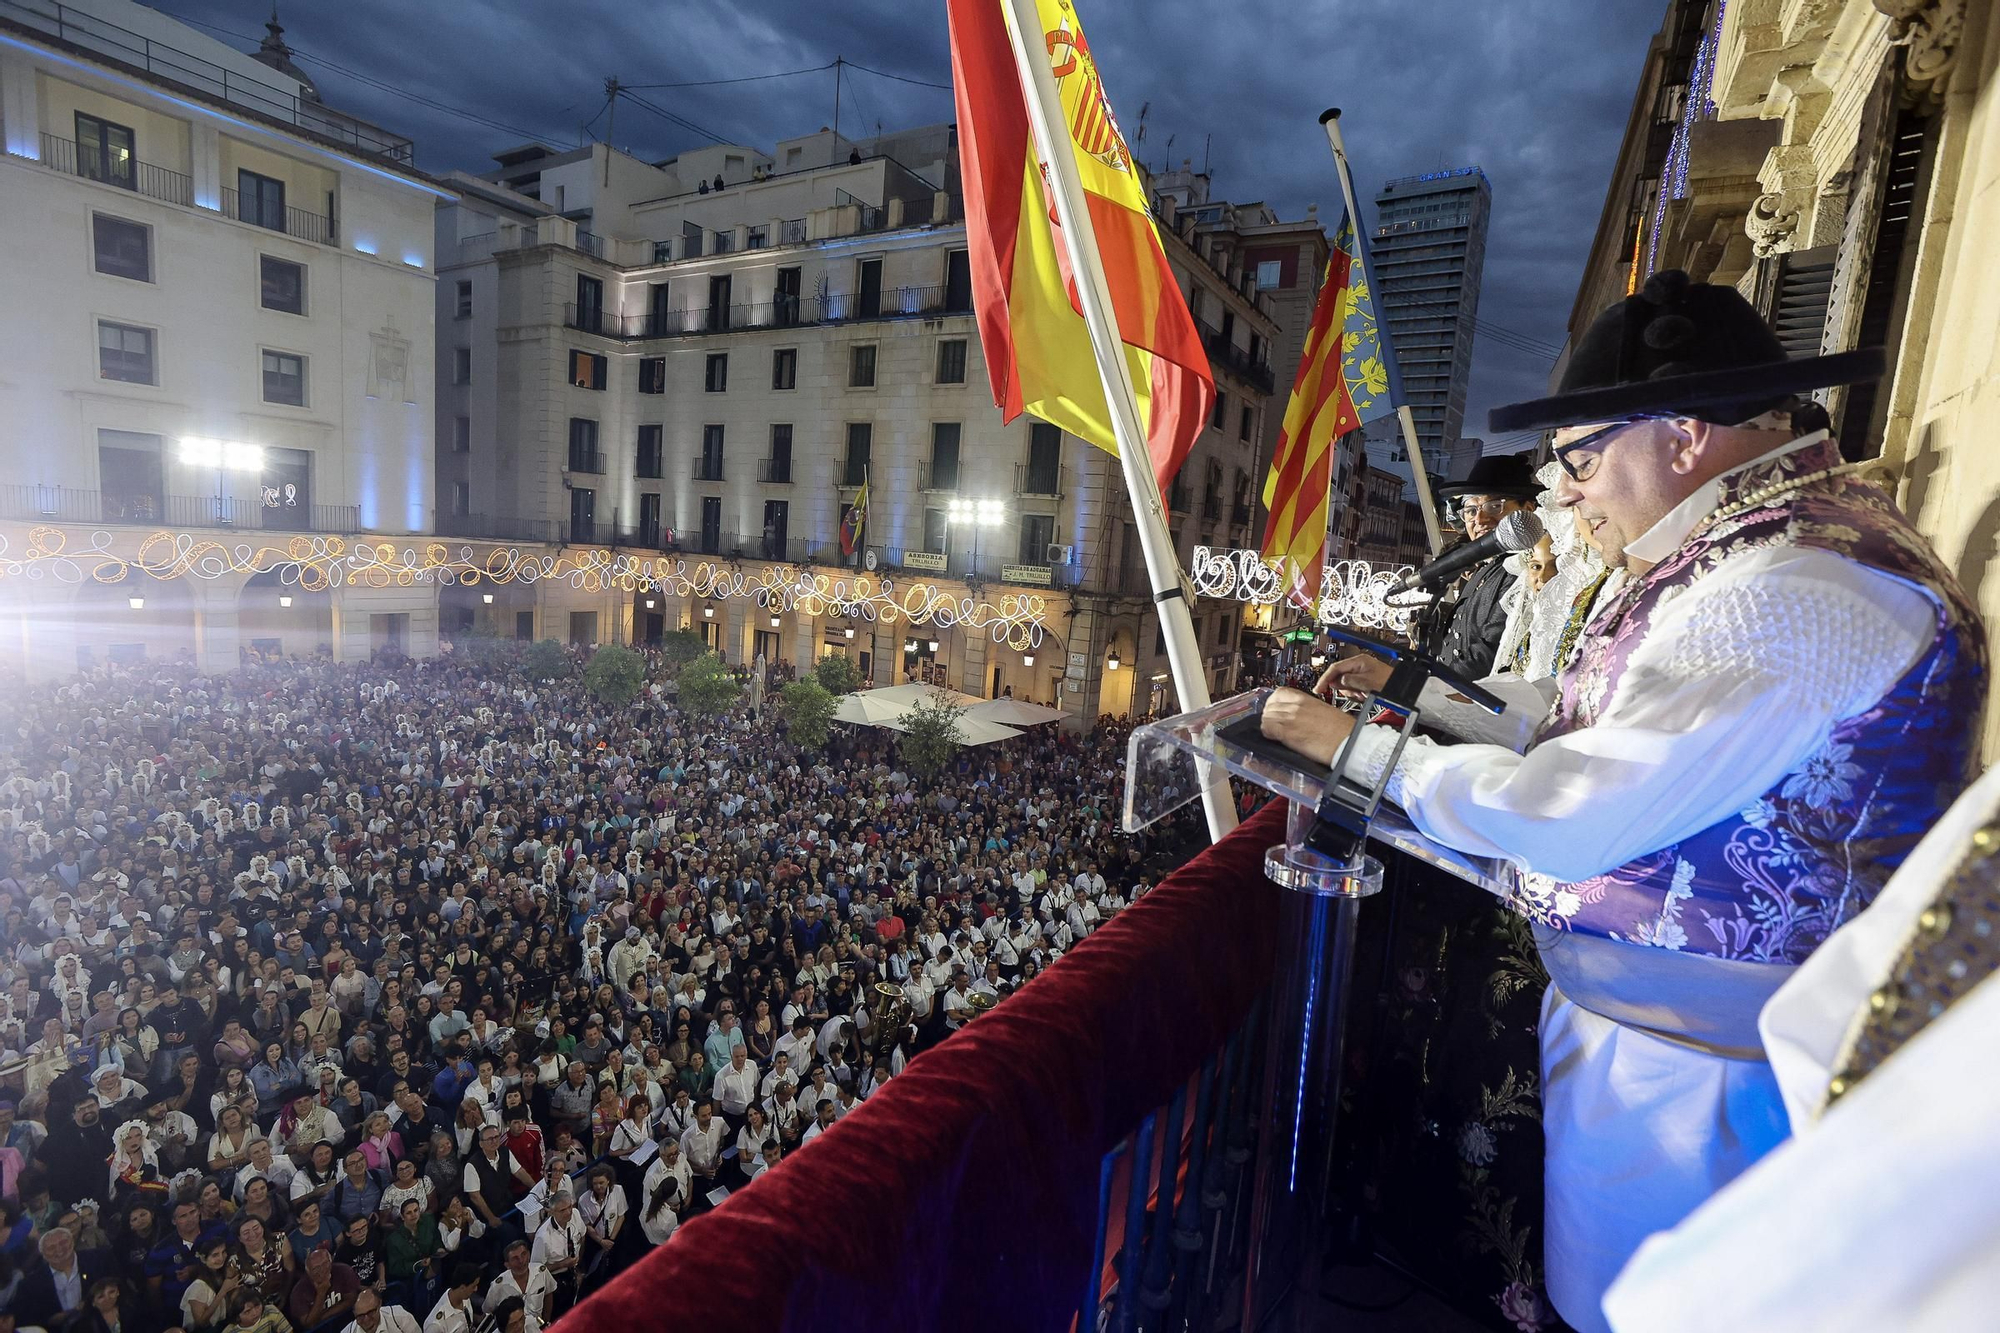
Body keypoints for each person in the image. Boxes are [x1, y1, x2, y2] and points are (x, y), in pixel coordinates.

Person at [1262, 270, 1983, 1333]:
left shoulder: (1789, 591)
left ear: (1682, 433)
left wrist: (1367, 758)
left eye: (1580, 458)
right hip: (1672, 1062)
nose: (1563, 495)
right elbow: (1590, 709)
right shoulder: (1748, 553)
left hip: (1707, 1096)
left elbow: (1578, 802)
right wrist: (1413, 698)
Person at [1417, 453, 1540, 680]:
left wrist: (1425, 687)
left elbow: (1488, 655)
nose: (1480, 519)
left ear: (1528, 509)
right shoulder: (1486, 567)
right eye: (1471, 511)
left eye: (1494, 506)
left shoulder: (1526, 569)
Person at [285, 1247, 361, 1332]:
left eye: (325, 1264)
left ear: (331, 1261)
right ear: (308, 1271)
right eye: (316, 1268)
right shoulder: (298, 1292)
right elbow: (308, 1324)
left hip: (347, 1322)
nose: (322, 1270)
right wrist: (321, 1293)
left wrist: (323, 1317)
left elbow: (351, 1300)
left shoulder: (343, 1271)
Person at [482, 1241, 554, 1329]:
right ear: (507, 1265)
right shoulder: (498, 1285)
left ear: (529, 1254)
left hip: (537, 1327)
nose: (521, 1261)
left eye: (523, 1254)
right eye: (515, 1258)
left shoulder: (541, 1271)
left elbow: (548, 1294)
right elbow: (488, 1311)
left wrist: (546, 1322)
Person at [341, 1288, 421, 1333]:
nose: (367, 1320)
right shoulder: (348, 1331)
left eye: (370, 1312)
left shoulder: (400, 1318)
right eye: (360, 1316)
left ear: (379, 1305)